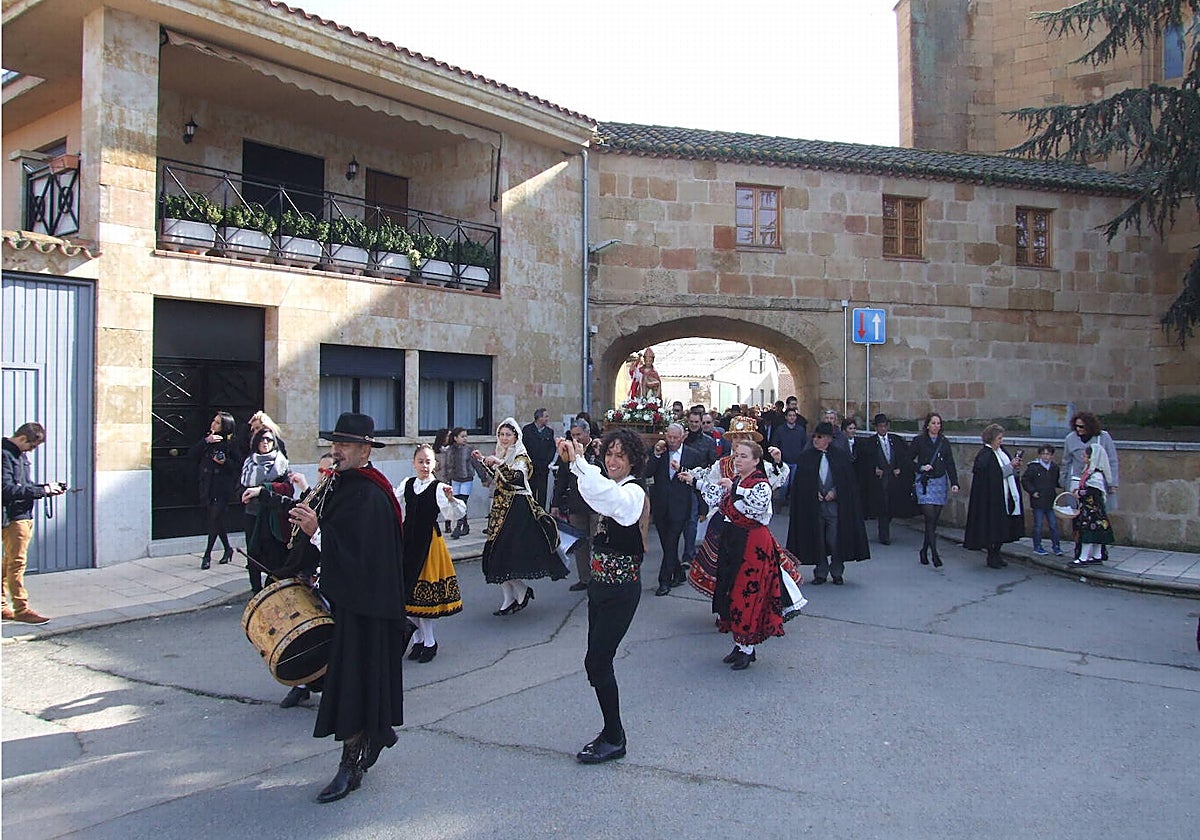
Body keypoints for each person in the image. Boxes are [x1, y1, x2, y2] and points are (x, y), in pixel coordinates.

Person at [287, 412, 406, 803]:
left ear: (365, 449)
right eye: (334, 443)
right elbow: (328, 529)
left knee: (356, 684)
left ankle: (350, 765)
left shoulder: (370, 493)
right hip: (348, 600)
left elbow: (361, 555)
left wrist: (317, 532)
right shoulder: (341, 483)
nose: (335, 451)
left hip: (367, 605)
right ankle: (367, 743)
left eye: (344, 445)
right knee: (351, 683)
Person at [556, 428, 649, 764]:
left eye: (620, 455)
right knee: (594, 661)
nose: (612, 460)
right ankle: (611, 732)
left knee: (598, 661)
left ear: (633, 461)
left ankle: (615, 736)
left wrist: (580, 462)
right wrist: (578, 463)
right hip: (601, 585)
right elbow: (595, 493)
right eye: (609, 453)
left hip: (621, 588)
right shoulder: (611, 486)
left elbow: (611, 502)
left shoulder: (633, 492)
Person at [697, 439, 799, 670]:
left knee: (748, 594)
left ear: (755, 461)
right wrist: (695, 481)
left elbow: (757, 504)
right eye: (736, 455)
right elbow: (720, 499)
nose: (738, 459)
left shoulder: (759, 483)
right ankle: (740, 645)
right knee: (732, 592)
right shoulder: (737, 480)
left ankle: (748, 647)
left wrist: (734, 489)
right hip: (734, 541)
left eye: (744, 456)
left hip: (753, 544)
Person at [247, 453, 335, 710]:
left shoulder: (338, 502)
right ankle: (301, 685)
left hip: (328, 577)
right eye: (321, 469)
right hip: (303, 573)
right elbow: (291, 505)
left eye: (328, 471)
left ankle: (328, 687)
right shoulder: (315, 496)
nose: (324, 474)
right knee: (298, 631)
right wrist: (261, 494)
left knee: (324, 634)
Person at [681, 422, 794, 597]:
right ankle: (725, 605)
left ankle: (747, 606)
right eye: (735, 437)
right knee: (722, 566)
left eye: (743, 437)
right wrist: (690, 476)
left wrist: (778, 462)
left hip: (748, 525)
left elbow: (772, 484)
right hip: (724, 522)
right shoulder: (722, 464)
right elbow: (709, 480)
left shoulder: (760, 465)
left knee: (748, 568)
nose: (738, 441)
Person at [473, 418, 564, 615]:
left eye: (508, 435)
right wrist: (483, 461)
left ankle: (521, 591)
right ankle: (509, 597)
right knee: (494, 555)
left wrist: (498, 463)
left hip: (517, 509)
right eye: (501, 435)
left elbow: (517, 478)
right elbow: (499, 479)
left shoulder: (521, 457)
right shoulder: (502, 454)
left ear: (515, 437)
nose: (504, 438)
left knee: (505, 555)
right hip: (500, 509)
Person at [396, 444, 465, 663]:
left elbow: (455, 513)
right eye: (421, 461)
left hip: (428, 544)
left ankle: (429, 641)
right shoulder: (407, 484)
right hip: (408, 542)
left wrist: (452, 499)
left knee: (422, 597)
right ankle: (418, 640)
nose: (425, 466)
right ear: (414, 463)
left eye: (428, 461)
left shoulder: (438, 487)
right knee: (408, 595)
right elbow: (392, 504)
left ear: (435, 464)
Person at [786, 422, 871, 585]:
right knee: (817, 539)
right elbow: (801, 483)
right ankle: (821, 572)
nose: (815, 440)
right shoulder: (806, 457)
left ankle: (837, 571)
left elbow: (848, 482)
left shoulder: (840, 456)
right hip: (815, 507)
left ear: (828, 439)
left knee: (835, 538)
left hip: (835, 507)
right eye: (814, 437)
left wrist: (835, 492)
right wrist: (812, 492)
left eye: (819, 437)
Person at [2, 422, 66, 624]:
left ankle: (2, 606)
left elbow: (25, 486)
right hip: (14, 516)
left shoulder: (19, 456)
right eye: (32, 446)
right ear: (22, 439)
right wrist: (42, 491)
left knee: (8, 562)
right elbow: (6, 489)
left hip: (23, 514)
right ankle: (21, 609)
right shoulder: (5, 455)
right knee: (17, 563)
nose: (32, 450)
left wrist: (47, 488)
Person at [643, 423, 705, 596]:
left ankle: (664, 581)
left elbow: (697, 481)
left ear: (683, 437)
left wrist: (702, 508)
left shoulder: (692, 455)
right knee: (667, 544)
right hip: (661, 505)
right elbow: (647, 473)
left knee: (671, 542)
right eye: (669, 437)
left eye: (675, 438)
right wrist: (655, 454)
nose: (671, 441)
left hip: (681, 506)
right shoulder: (658, 452)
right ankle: (678, 573)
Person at [963, 424, 1025, 569]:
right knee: (993, 528)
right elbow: (994, 475)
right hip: (991, 499)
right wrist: (1010, 467)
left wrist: (1014, 467)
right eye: (999, 438)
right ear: (991, 439)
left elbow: (1004, 472)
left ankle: (997, 553)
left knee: (1002, 528)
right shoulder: (985, 455)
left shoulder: (1002, 452)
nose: (1000, 441)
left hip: (1004, 495)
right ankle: (992, 555)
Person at [552, 419, 602, 592]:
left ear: (587, 433)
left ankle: (599, 577)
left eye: (578, 435)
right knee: (580, 544)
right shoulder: (567, 450)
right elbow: (562, 479)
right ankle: (585, 578)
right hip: (576, 504)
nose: (575, 439)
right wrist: (555, 504)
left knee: (598, 542)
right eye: (573, 435)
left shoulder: (597, 448)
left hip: (595, 504)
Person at [1063, 411, 1120, 562]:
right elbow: (1066, 462)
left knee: (1097, 518)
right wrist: (1064, 482)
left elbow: (1112, 460)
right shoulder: (1070, 439)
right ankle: (1079, 549)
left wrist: (1113, 483)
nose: (1078, 429)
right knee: (1078, 519)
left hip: (1096, 482)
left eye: (1081, 426)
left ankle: (1099, 551)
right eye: (1076, 426)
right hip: (1077, 480)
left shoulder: (1103, 437)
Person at [240, 427, 290, 593]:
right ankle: (255, 589)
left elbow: (287, 488)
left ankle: (274, 587)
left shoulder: (281, 463)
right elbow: (240, 487)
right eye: (262, 440)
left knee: (274, 551)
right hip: (253, 513)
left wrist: (262, 489)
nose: (265, 443)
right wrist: (244, 494)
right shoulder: (249, 463)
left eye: (269, 439)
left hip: (273, 514)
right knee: (253, 551)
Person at [190, 411, 241, 569]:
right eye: (214, 421)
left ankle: (207, 555)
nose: (214, 424)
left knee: (214, 519)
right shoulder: (208, 439)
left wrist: (224, 462)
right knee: (215, 520)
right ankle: (228, 549)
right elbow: (191, 454)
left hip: (222, 487)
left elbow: (238, 466)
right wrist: (206, 441)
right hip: (207, 485)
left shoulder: (231, 443)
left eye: (218, 422)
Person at [910, 412, 960, 567]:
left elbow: (950, 463)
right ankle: (935, 554)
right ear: (927, 425)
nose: (936, 426)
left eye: (938, 423)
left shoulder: (944, 442)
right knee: (930, 518)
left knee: (932, 521)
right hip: (925, 483)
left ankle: (924, 550)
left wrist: (954, 482)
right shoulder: (919, 441)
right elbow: (907, 459)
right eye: (933, 423)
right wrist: (920, 467)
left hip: (939, 481)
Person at [863, 413, 915, 545]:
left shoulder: (896, 440)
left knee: (892, 504)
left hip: (893, 477)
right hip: (880, 480)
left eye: (885, 426)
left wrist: (899, 468)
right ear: (876, 427)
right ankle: (884, 534)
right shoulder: (870, 443)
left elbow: (905, 457)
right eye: (880, 426)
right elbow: (866, 461)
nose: (883, 429)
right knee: (883, 506)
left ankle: (886, 523)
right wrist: (873, 469)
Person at [1072, 442, 1115, 566]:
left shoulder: (1096, 475)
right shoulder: (1089, 472)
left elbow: (1093, 491)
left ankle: (1084, 557)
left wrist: (1080, 493)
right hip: (1089, 509)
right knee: (1096, 532)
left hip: (1093, 510)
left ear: (1092, 458)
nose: (1083, 458)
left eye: (1085, 456)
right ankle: (1097, 555)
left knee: (1089, 532)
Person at [442, 427, 486, 539]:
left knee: (463, 501)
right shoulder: (450, 450)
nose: (465, 438)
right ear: (455, 438)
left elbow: (477, 465)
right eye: (462, 436)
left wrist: (483, 478)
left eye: (466, 436)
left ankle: (458, 527)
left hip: (467, 479)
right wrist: (446, 479)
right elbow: (446, 466)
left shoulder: (469, 449)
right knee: (458, 503)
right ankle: (465, 526)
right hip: (455, 479)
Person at [1021, 444, 1063, 557]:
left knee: (1053, 524)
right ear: (1040, 455)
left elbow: (1057, 481)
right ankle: (1037, 546)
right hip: (1038, 500)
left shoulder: (1054, 468)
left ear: (1051, 456)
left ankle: (1056, 546)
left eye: (1048, 454)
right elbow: (1025, 480)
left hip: (1050, 500)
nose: (1046, 456)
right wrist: (1033, 491)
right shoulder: (1034, 467)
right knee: (1038, 525)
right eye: (1043, 454)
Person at [768, 406, 809, 501]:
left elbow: (805, 445)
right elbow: (775, 444)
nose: (792, 417)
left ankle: (792, 502)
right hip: (783, 461)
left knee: (794, 483)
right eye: (790, 415)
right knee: (783, 484)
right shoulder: (780, 430)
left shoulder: (800, 430)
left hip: (796, 461)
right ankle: (781, 501)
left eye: (794, 415)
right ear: (786, 417)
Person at [522, 408, 557, 510]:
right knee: (530, 491)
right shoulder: (527, 430)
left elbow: (552, 448)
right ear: (539, 418)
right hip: (531, 467)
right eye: (545, 416)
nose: (547, 419)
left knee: (542, 493)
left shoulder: (549, 432)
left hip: (543, 468)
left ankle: (541, 515)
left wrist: (547, 462)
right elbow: (523, 447)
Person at [431, 429, 453, 532]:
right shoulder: (434, 450)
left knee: (448, 503)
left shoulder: (452, 449)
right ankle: (433, 522)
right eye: (448, 436)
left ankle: (448, 524)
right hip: (437, 479)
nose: (449, 438)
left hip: (449, 479)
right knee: (435, 503)